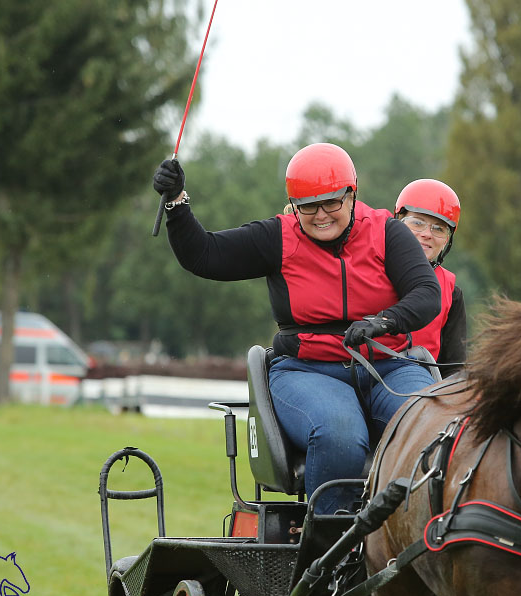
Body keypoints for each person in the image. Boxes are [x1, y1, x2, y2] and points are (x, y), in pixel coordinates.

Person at [152, 142, 441, 514]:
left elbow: (426, 293)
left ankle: (422, 535)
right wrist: (176, 201)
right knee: (340, 435)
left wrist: (382, 322)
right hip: (308, 370)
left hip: (388, 365)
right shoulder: (278, 237)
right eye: (308, 206)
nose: (321, 215)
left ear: (352, 195)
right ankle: (330, 553)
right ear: (294, 205)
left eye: (332, 203)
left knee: (431, 425)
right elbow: (204, 255)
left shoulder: (387, 232)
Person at [393, 179, 467, 375]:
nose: (427, 234)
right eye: (417, 223)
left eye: (439, 228)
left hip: (419, 386)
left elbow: (454, 366)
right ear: (397, 223)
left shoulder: (452, 293)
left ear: (446, 241)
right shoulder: (367, 271)